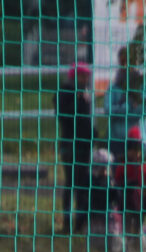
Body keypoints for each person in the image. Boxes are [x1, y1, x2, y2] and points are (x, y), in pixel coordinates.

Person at [54, 64, 94, 233]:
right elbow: (64, 116)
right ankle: (67, 222)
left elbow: (85, 119)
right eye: (82, 76)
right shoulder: (65, 93)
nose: (85, 80)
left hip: (84, 144)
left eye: (87, 77)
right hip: (70, 144)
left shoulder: (84, 94)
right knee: (71, 182)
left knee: (82, 184)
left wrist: (94, 135)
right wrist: (79, 99)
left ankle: (80, 223)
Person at [105, 45, 146, 161]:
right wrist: (127, 108)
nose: (125, 65)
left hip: (140, 140)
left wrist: (122, 110)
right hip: (117, 140)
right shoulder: (114, 87)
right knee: (119, 175)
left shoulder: (145, 85)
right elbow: (108, 109)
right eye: (122, 61)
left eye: (129, 61)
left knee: (138, 176)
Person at [111, 139, 146, 252]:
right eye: (131, 150)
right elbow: (117, 181)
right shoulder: (123, 165)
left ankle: (138, 248)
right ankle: (125, 247)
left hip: (142, 201)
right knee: (126, 223)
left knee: (138, 225)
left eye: (137, 151)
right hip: (127, 200)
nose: (135, 153)